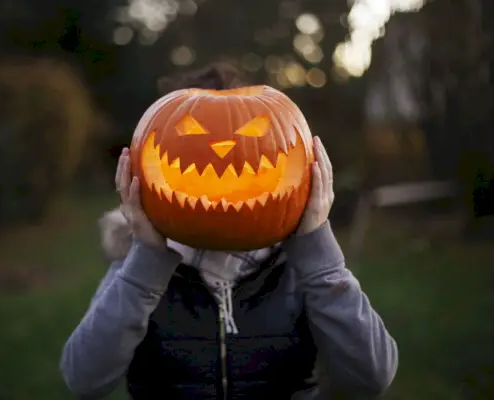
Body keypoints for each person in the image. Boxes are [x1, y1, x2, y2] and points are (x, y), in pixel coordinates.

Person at [60, 64, 398, 399]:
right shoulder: (137, 269)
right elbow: (84, 380)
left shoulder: (303, 270)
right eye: (191, 133)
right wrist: (146, 258)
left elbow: (371, 378)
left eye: (252, 131)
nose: (222, 148)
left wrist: (318, 251)